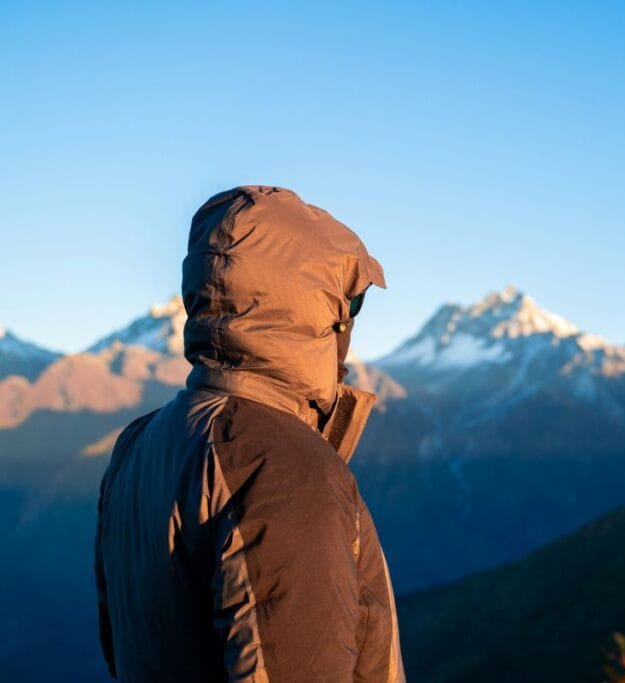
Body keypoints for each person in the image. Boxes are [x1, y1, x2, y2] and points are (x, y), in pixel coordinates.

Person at [94, 186, 405, 682]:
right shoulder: (278, 465)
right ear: (316, 310)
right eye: (350, 302)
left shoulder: (137, 446)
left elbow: (122, 645)